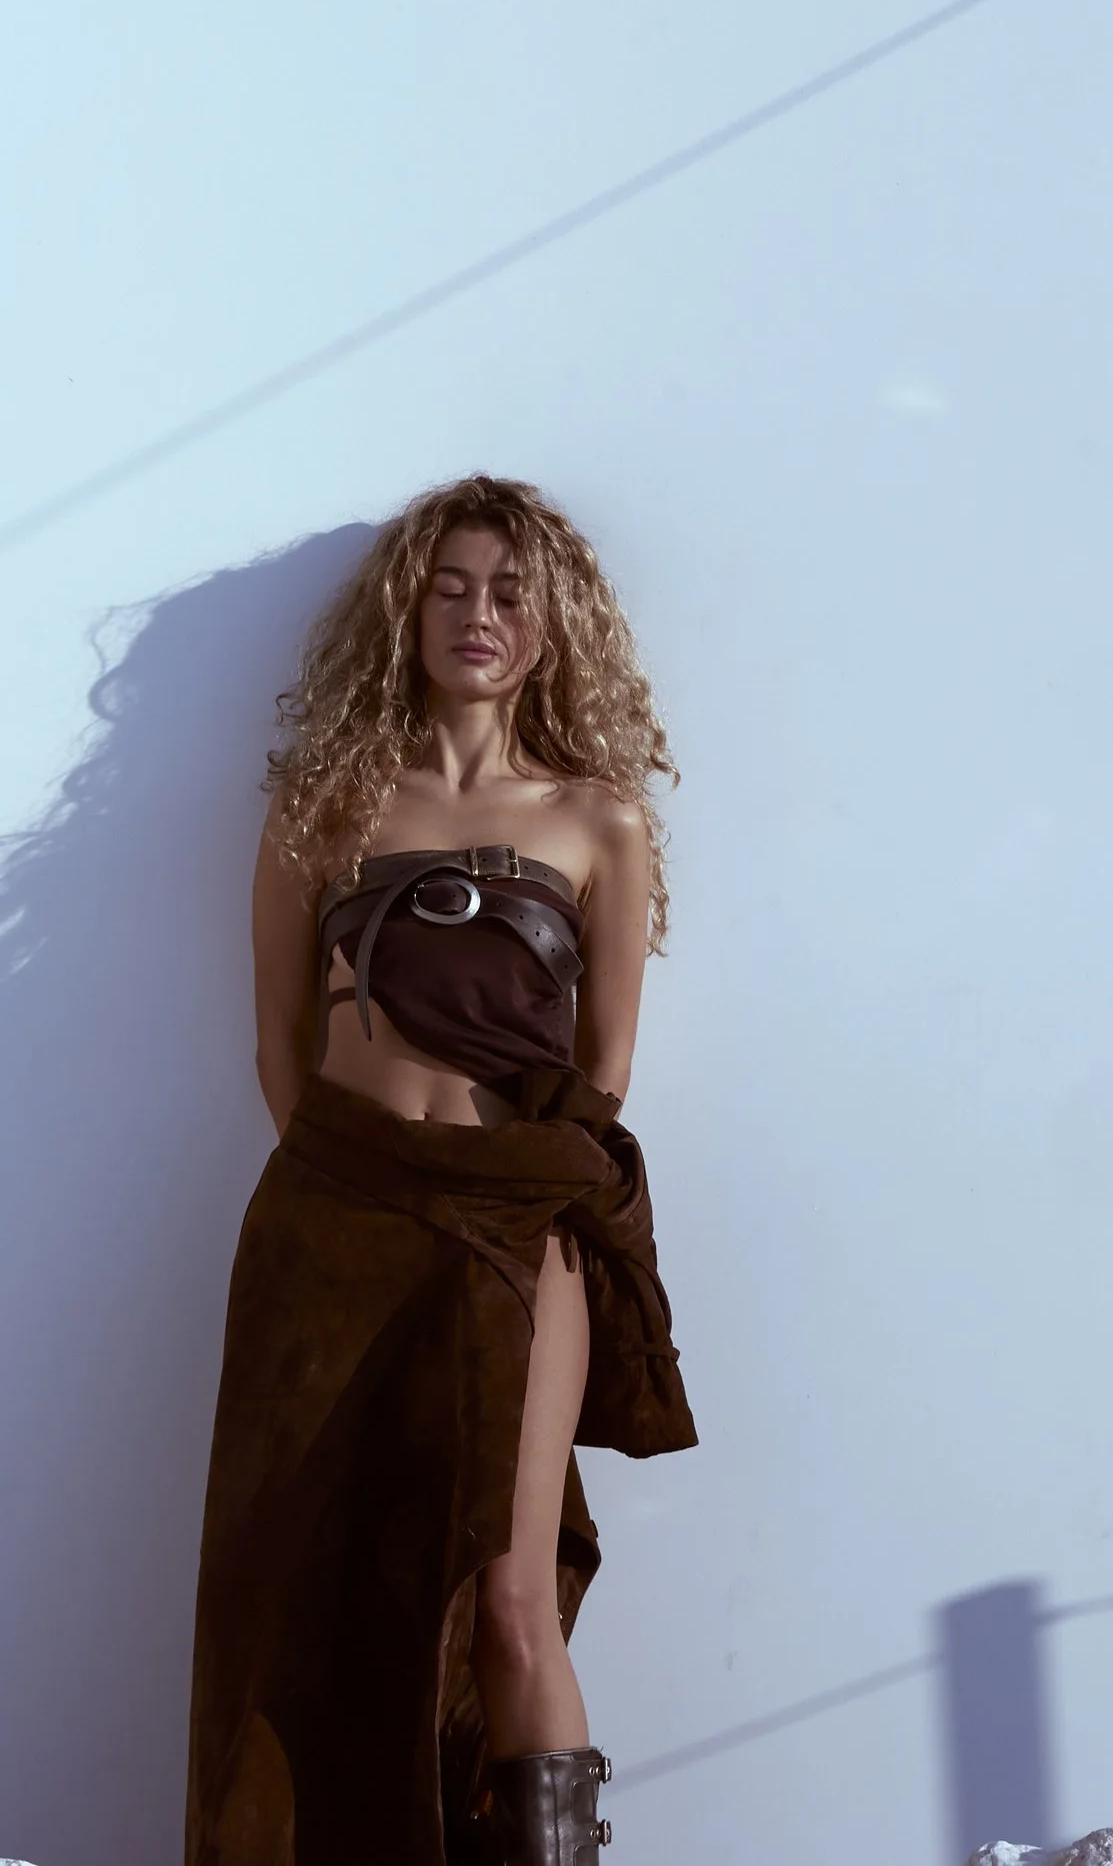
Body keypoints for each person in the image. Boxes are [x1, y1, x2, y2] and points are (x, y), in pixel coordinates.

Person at [185, 473, 697, 1866]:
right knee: (298, 1584)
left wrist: (492, 1191)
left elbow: (602, 1075)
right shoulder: (327, 800)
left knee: (512, 1596)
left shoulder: (601, 822)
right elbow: (279, 1045)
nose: (479, 613)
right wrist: (350, 1178)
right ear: (410, 607)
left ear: (551, 625)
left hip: (510, 1228)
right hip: (330, 1223)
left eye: (511, 591)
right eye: (454, 584)